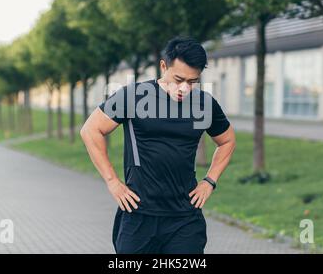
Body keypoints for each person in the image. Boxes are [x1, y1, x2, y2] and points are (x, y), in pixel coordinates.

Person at [80, 36, 236, 254]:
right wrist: (112, 181)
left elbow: (227, 140)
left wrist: (209, 181)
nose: (184, 88)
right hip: (138, 215)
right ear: (164, 66)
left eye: (192, 82)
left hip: (185, 218)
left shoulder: (204, 103)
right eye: (178, 79)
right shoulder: (134, 96)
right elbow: (91, 130)